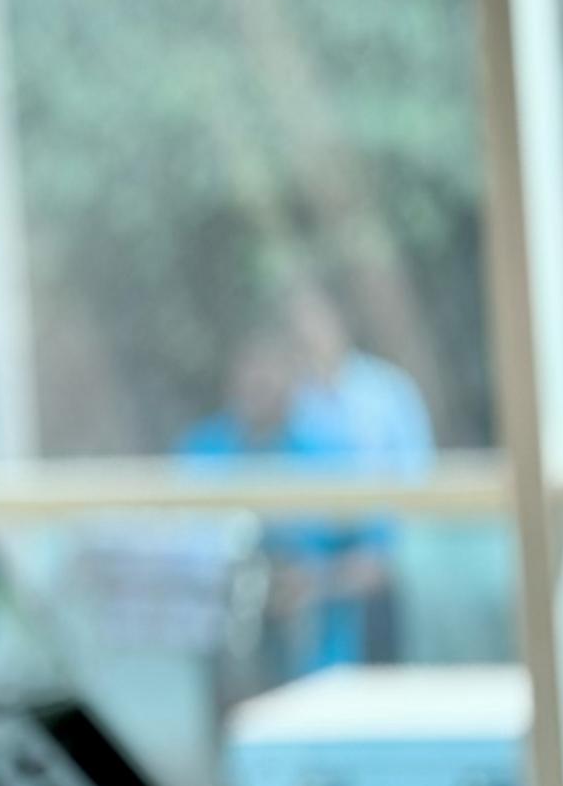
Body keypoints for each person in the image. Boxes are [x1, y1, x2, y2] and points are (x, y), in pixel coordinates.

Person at [179, 283, 430, 675]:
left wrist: (315, 584)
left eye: (271, 367)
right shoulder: (205, 451)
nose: (260, 380)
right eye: (250, 366)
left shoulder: (332, 450)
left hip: (329, 654)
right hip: (231, 649)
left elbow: (382, 552)